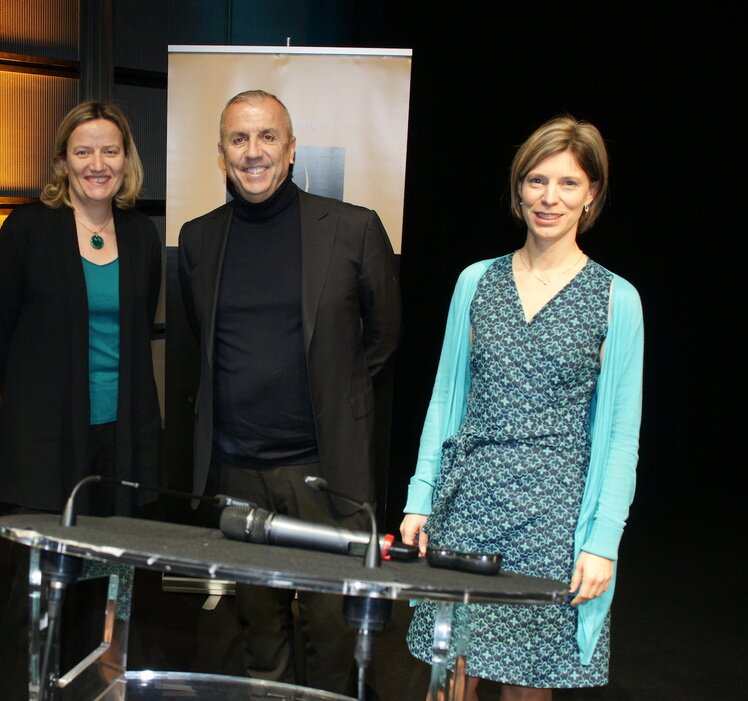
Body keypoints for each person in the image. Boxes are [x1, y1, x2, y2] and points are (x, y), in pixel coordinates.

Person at [400, 115, 644, 699]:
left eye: (567, 183)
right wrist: (420, 497)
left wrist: (601, 540)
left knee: (527, 688)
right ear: (518, 189)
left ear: (592, 195)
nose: (549, 197)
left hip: (554, 523)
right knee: (448, 680)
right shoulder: (475, 282)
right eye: (537, 180)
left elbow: (621, 436)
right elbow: (444, 400)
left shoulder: (616, 298)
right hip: (468, 505)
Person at [178, 89, 400, 694]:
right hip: (236, 475)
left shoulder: (353, 229)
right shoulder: (198, 240)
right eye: (239, 139)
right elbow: (201, 347)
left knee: (334, 641)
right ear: (221, 153)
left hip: (325, 476)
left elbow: (382, 340)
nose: (254, 152)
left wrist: (333, 396)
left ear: (293, 147)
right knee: (259, 641)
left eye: (267, 137)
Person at [0, 101, 162, 699]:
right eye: (83, 150)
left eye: (110, 150)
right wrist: (32, 407)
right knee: (41, 587)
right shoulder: (28, 227)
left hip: (122, 439)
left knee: (110, 584)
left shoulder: (139, 232)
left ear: (126, 160)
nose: (97, 163)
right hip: (47, 440)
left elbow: (139, 329)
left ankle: (97, 689)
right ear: (61, 160)